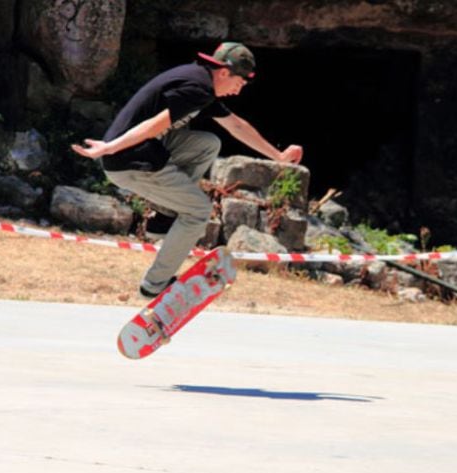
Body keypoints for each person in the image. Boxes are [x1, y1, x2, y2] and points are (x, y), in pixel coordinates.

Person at [71, 42, 303, 298]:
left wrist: (278, 156)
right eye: (239, 83)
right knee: (198, 211)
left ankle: (164, 216)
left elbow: (236, 126)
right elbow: (151, 125)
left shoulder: (199, 81)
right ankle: (154, 285)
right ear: (224, 72)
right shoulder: (197, 89)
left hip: (145, 150)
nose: (238, 91)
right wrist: (109, 148)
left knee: (207, 144)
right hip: (131, 160)